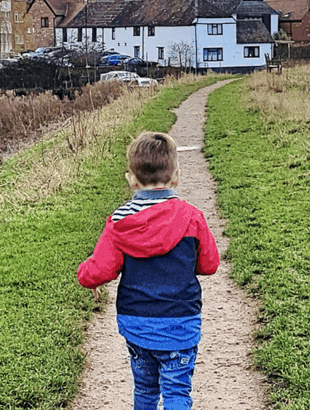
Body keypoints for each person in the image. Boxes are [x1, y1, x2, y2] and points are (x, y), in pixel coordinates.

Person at [78, 131, 220, 410]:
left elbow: (100, 270)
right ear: (176, 176)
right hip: (180, 323)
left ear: (131, 179)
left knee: (144, 389)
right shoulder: (191, 217)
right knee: (177, 391)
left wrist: (85, 274)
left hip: (137, 324)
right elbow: (209, 264)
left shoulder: (119, 222)